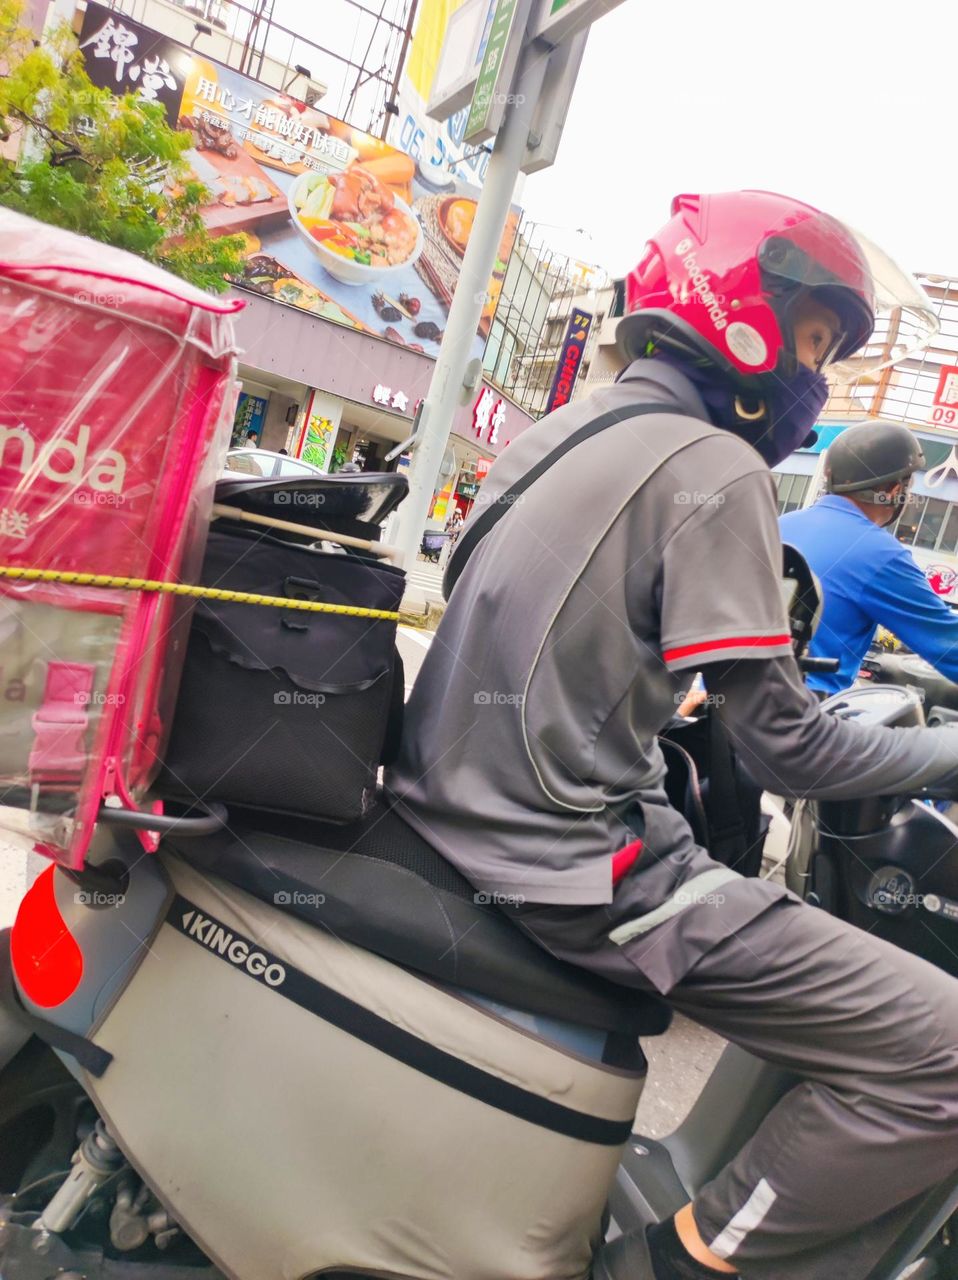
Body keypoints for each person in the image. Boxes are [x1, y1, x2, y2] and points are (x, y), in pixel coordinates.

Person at [385, 191, 958, 1280]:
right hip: (579, 866)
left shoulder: (555, 433)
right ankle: (672, 1263)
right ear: (741, 305)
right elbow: (794, 750)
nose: (816, 372)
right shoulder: (713, 466)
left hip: (455, 817)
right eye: (813, 336)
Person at [780, 421, 958, 696]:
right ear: (894, 490)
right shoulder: (880, 555)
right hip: (802, 718)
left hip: (720, 708)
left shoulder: (777, 524)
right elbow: (948, 646)